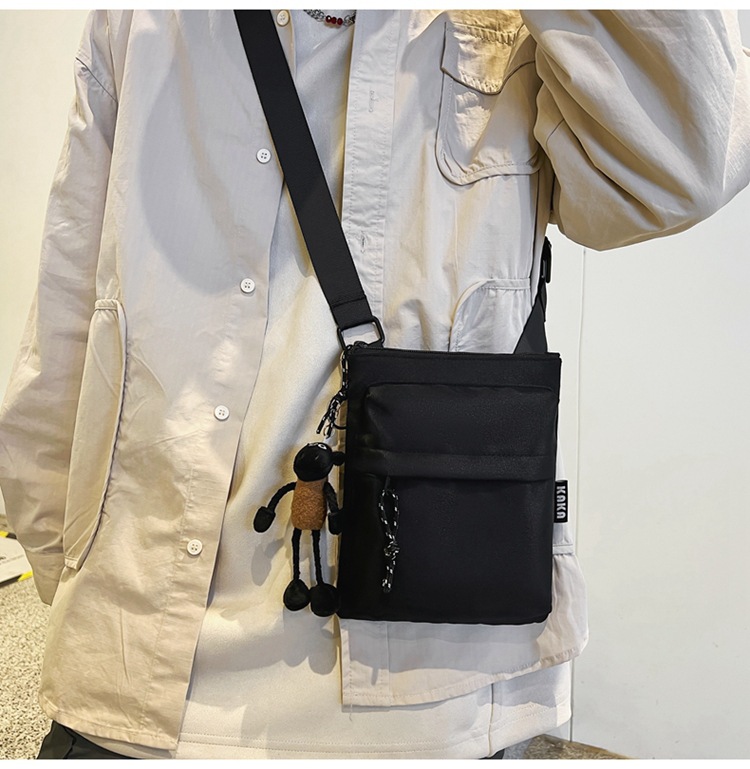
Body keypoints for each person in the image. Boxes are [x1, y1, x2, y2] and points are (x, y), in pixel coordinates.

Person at [1, 9, 749, 760]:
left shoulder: (508, 22)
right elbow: (68, 315)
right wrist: (74, 576)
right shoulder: (143, 23)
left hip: (434, 695)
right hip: (135, 677)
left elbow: (680, 166)